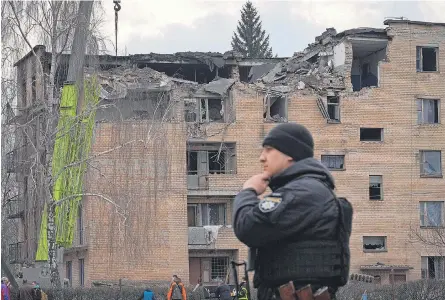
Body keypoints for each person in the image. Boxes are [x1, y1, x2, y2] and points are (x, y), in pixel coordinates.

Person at [232, 123, 353, 300]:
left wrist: (247, 192)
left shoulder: (303, 192)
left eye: (269, 149)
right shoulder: (308, 190)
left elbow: (248, 227)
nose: (262, 158)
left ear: (290, 154)